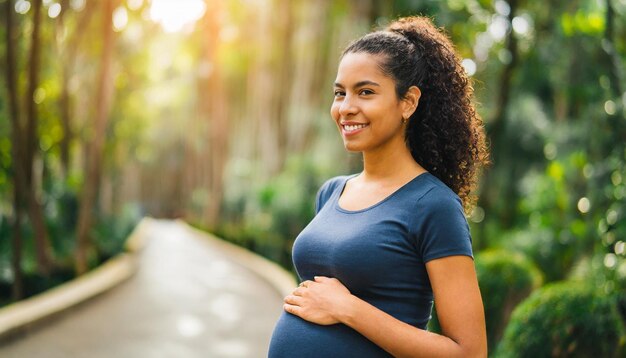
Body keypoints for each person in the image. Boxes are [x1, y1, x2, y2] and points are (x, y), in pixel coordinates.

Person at [268, 15, 489, 357]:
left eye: (365, 92)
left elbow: (469, 352)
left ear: (408, 102)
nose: (346, 108)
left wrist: (348, 309)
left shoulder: (433, 205)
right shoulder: (332, 192)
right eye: (339, 93)